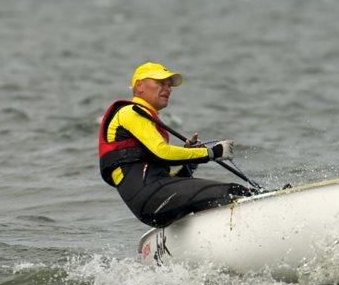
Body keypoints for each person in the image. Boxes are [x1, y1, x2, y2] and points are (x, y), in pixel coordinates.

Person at [98, 62, 252, 228]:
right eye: (161, 83)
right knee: (234, 191)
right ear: (140, 86)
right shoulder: (130, 113)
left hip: (152, 202)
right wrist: (212, 152)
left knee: (215, 198)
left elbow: (164, 177)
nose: (168, 88)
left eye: (169, 85)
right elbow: (161, 152)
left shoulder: (146, 121)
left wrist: (188, 165)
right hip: (150, 197)